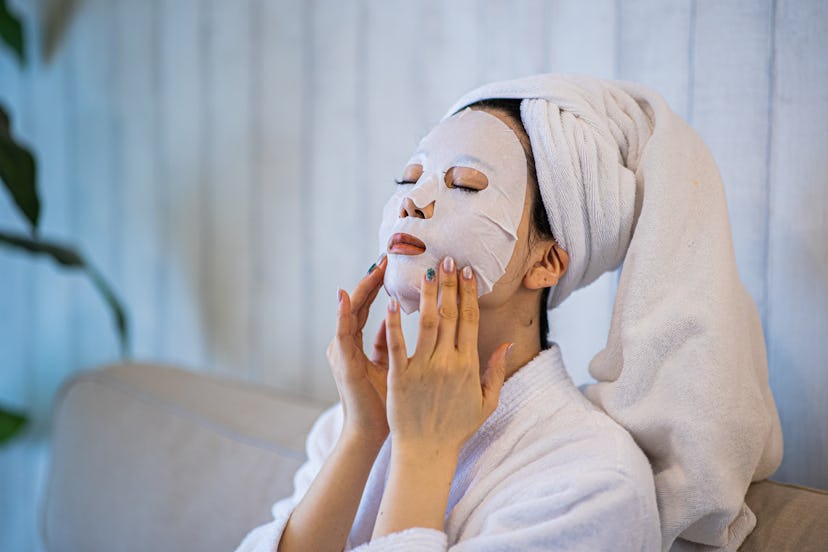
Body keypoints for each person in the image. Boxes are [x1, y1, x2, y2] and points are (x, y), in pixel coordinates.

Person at [236, 95, 661, 551]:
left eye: (465, 185)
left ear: (546, 262)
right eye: (408, 179)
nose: (413, 203)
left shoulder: (594, 482)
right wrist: (364, 434)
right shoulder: (353, 421)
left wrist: (424, 453)